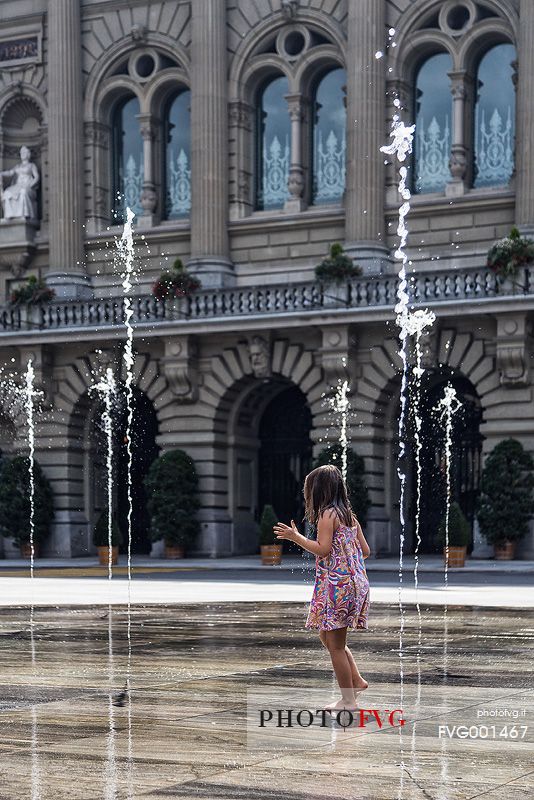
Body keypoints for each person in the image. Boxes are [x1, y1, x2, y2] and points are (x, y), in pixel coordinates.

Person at [273, 464, 370, 711]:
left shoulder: (328, 515)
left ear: (318, 490)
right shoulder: (350, 516)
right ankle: (356, 681)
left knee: (335, 645)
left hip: (338, 586)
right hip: (353, 584)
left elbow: (323, 549)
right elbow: (365, 552)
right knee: (327, 636)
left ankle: (348, 701)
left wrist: (296, 538)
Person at [1, 145, 39, 221]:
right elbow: (10, 173)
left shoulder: (31, 166)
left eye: (24, 152)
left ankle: (24, 214)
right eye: (21, 153)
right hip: (17, 186)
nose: (22, 154)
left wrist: (30, 185)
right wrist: (1, 173)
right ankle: (8, 216)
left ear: (28, 154)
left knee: (23, 192)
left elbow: (37, 177)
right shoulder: (17, 166)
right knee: (6, 193)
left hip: (27, 186)